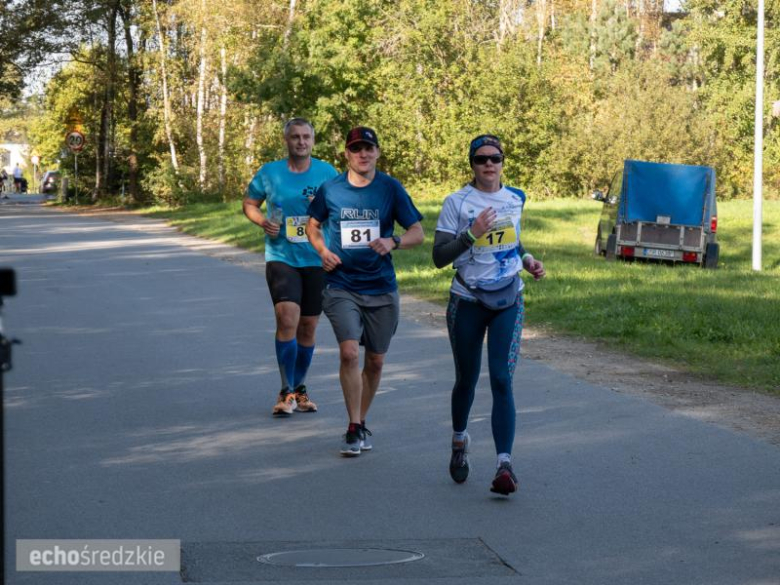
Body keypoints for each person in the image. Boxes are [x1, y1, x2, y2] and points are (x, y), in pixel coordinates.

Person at [432, 134, 545, 496]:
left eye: (495, 158)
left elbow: (513, 241)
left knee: (500, 379)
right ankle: (460, 441)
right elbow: (438, 257)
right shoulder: (457, 202)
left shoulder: (516, 198)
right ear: (472, 164)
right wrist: (471, 234)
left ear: (502, 162)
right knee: (466, 379)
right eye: (481, 159)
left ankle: (504, 465)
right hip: (467, 299)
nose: (489, 165)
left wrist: (527, 261)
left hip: (509, 298)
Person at [307, 127, 424, 456]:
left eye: (368, 148)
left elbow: (418, 232)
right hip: (341, 284)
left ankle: (361, 420)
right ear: (346, 154)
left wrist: (394, 240)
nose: (362, 154)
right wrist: (321, 251)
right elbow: (312, 225)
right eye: (356, 148)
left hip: (382, 288)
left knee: (375, 361)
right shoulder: (330, 189)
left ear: (377, 152)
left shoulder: (390, 188)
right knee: (349, 353)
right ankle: (354, 426)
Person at [243, 118, 338, 417]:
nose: (301, 141)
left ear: (313, 140)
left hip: (316, 259)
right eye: (295, 137)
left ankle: (300, 388)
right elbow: (250, 203)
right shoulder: (270, 172)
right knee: (287, 318)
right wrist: (263, 222)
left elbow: (340, 207)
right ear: (286, 140)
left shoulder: (327, 172)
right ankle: (285, 391)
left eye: (306, 136)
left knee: (308, 327)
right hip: (282, 257)